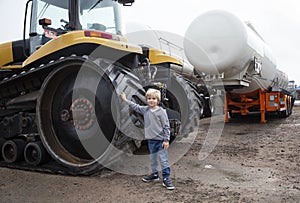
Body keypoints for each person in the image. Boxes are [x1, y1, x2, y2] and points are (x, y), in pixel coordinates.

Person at [120, 89, 175, 190]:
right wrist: (125, 100)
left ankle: (166, 178)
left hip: (161, 141)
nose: (151, 101)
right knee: (153, 159)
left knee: (163, 160)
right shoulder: (145, 110)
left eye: (153, 99)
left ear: (158, 100)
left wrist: (166, 140)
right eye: (149, 98)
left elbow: (166, 126)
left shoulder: (161, 112)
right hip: (151, 140)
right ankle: (154, 174)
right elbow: (135, 107)